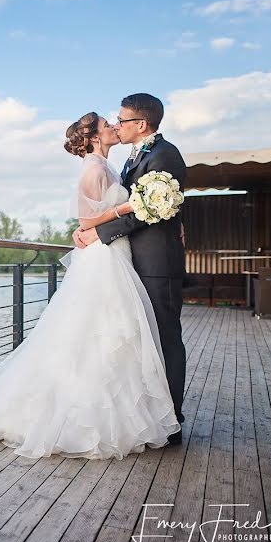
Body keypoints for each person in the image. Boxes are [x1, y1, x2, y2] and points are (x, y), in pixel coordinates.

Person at [0, 111, 180, 459]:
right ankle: (88, 417)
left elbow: (97, 215)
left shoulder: (108, 165)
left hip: (116, 252)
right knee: (102, 331)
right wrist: (129, 206)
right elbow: (87, 218)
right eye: (107, 125)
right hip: (104, 256)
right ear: (96, 137)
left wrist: (130, 208)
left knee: (112, 333)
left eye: (117, 122)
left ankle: (120, 409)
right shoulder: (94, 169)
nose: (114, 127)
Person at [75, 93, 187, 443]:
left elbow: (149, 209)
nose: (117, 124)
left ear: (141, 124)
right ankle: (151, 414)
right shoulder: (135, 157)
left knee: (165, 338)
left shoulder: (164, 155)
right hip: (133, 262)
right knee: (143, 340)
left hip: (157, 264)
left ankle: (172, 421)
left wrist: (97, 233)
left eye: (121, 120)